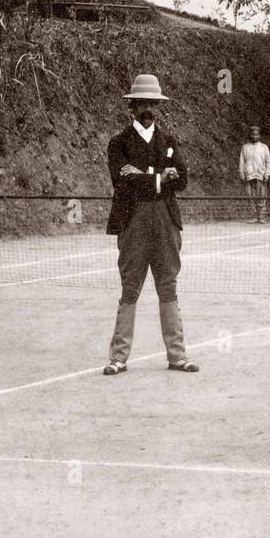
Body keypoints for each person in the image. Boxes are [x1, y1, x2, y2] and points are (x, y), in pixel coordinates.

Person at [103, 73, 199, 375]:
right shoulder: (118, 143)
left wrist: (145, 175)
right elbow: (123, 181)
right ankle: (119, 357)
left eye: (153, 104)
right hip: (133, 220)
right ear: (131, 107)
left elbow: (181, 179)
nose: (148, 109)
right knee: (130, 287)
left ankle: (177, 355)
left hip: (165, 221)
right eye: (142, 103)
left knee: (167, 285)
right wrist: (160, 177)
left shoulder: (168, 141)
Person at [239, 124, 270, 223]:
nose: (255, 136)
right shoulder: (245, 147)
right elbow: (242, 162)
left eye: (257, 135)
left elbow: (268, 161)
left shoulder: (264, 147)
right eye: (253, 135)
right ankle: (253, 217)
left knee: (261, 196)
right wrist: (242, 174)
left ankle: (261, 217)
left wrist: (267, 174)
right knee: (250, 197)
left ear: (259, 135)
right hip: (249, 176)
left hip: (260, 175)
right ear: (250, 135)